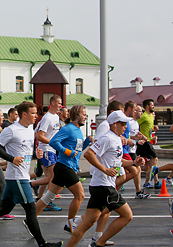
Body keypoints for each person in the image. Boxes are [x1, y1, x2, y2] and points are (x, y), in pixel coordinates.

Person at [0, 101, 62, 247]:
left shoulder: (30, 129)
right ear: (24, 114)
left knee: (3, 209)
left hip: (17, 177)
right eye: (33, 113)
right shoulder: (12, 130)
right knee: (31, 208)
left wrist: (37, 154)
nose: (36, 116)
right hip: (17, 178)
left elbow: (24, 149)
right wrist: (12, 159)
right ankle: (42, 244)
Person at [66, 111, 139, 247]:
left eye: (126, 124)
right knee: (127, 215)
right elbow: (89, 154)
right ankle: (99, 243)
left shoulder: (117, 139)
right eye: (122, 124)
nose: (125, 127)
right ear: (114, 124)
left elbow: (117, 161)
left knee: (88, 222)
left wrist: (135, 163)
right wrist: (105, 170)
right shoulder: (108, 138)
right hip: (104, 187)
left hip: (101, 186)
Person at [35, 104, 90, 234]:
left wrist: (88, 141)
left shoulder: (78, 130)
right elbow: (54, 142)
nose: (85, 117)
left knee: (48, 196)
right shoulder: (68, 129)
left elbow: (78, 149)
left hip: (67, 167)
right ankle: (70, 224)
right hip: (65, 167)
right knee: (80, 195)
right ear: (76, 116)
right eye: (83, 114)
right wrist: (67, 152)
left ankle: (30, 219)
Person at [30, 95, 63, 212]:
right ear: (53, 103)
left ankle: (40, 198)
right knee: (54, 178)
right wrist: (54, 143)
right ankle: (32, 186)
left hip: (51, 150)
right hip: (46, 150)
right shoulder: (47, 117)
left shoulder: (55, 117)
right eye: (59, 103)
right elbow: (39, 135)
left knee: (48, 177)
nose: (60, 106)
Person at [137, 99, 161, 189]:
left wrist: (154, 130)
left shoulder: (151, 116)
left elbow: (149, 130)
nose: (153, 106)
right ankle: (151, 182)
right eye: (152, 105)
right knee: (154, 160)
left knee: (149, 164)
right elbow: (135, 126)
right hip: (144, 142)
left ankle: (155, 182)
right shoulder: (144, 116)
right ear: (147, 106)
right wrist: (142, 135)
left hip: (148, 141)